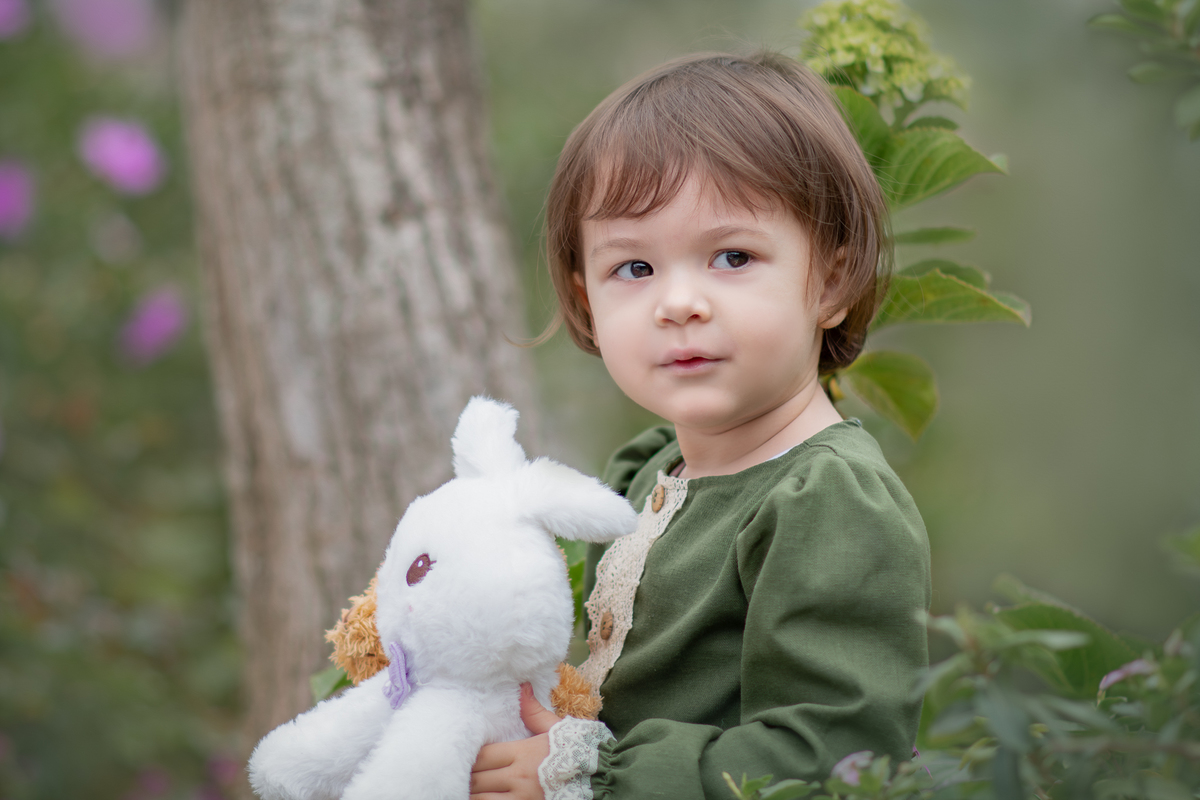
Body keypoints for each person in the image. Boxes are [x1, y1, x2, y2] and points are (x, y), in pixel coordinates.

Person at [469, 51, 931, 800]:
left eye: (732, 255)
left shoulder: (826, 499)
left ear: (834, 280)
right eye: (635, 269)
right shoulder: (651, 469)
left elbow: (836, 756)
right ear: (588, 303)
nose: (678, 302)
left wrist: (593, 773)